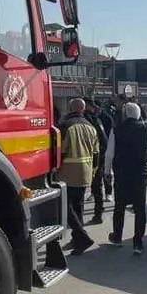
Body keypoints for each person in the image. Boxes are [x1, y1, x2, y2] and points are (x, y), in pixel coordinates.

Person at [104, 102, 147, 255]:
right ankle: (138, 243)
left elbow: (109, 154)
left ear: (125, 114)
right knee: (140, 208)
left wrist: (107, 172)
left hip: (122, 173)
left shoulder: (116, 130)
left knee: (119, 207)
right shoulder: (145, 128)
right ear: (137, 114)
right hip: (139, 173)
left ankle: (117, 237)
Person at [57, 99, 99, 255]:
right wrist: (93, 172)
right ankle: (77, 240)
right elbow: (96, 154)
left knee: (66, 208)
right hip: (86, 172)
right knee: (78, 207)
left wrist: (55, 171)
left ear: (70, 108)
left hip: (69, 172)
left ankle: (82, 238)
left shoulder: (66, 126)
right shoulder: (91, 126)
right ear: (82, 109)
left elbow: (60, 152)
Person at [83, 98, 108, 224]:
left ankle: (78, 218)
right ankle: (98, 214)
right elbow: (104, 141)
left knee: (80, 189)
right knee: (97, 187)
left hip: (83, 160)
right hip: (98, 158)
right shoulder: (96, 120)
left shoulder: (83, 121)